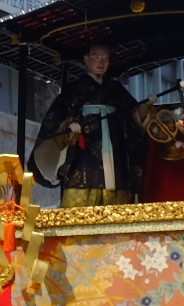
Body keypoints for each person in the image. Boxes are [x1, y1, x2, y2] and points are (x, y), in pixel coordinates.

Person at [29, 43, 146, 206]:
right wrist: (70, 125)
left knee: (117, 192)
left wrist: (145, 108)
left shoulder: (116, 90)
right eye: (96, 57)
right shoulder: (72, 90)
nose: (101, 63)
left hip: (114, 152)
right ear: (86, 59)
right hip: (83, 157)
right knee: (80, 192)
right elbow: (55, 120)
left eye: (105, 59)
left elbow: (133, 114)